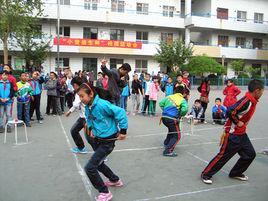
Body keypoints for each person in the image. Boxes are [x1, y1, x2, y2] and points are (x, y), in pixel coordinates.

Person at [201, 79, 264, 184]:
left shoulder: (251, 100)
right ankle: (206, 174)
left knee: (250, 154)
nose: (262, 93)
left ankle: (236, 173)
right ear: (257, 91)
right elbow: (230, 111)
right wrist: (237, 121)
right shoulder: (246, 101)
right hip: (232, 133)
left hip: (241, 133)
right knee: (223, 156)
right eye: (262, 91)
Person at [77, 82, 128, 201]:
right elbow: (89, 119)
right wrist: (92, 129)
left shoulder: (102, 104)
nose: (80, 99)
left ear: (91, 94)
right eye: (79, 96)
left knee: (89, 168)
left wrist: (123, 131)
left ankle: (105, 192)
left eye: (82, 96)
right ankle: (115, 180)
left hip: (108, 142)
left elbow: (120, 112)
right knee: (98, 164)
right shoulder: (89, 106)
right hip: (99, 140)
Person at [159, 85, 188, 157]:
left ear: (174, 91)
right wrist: (180, 115)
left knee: (171, 130)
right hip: (172, 119)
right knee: (177, 135)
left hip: (164, 118)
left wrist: (165, 110)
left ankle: (166, 143)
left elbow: (160, 103)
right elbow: (185, 110)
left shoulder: (169, 97)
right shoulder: (182, 100)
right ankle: (168, 150)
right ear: (183, 93)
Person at [65, 76, 89, 154]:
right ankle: (81, 147)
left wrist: (70, 111)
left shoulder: (81, 92)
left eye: (72, 86)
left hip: (87, 118)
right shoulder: (84, 89)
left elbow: (76, 104)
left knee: (90, 137)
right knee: (74, 131)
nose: (72, 88)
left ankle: (101, 154)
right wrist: (70, 111)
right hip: (83, 117)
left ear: (75, 85)